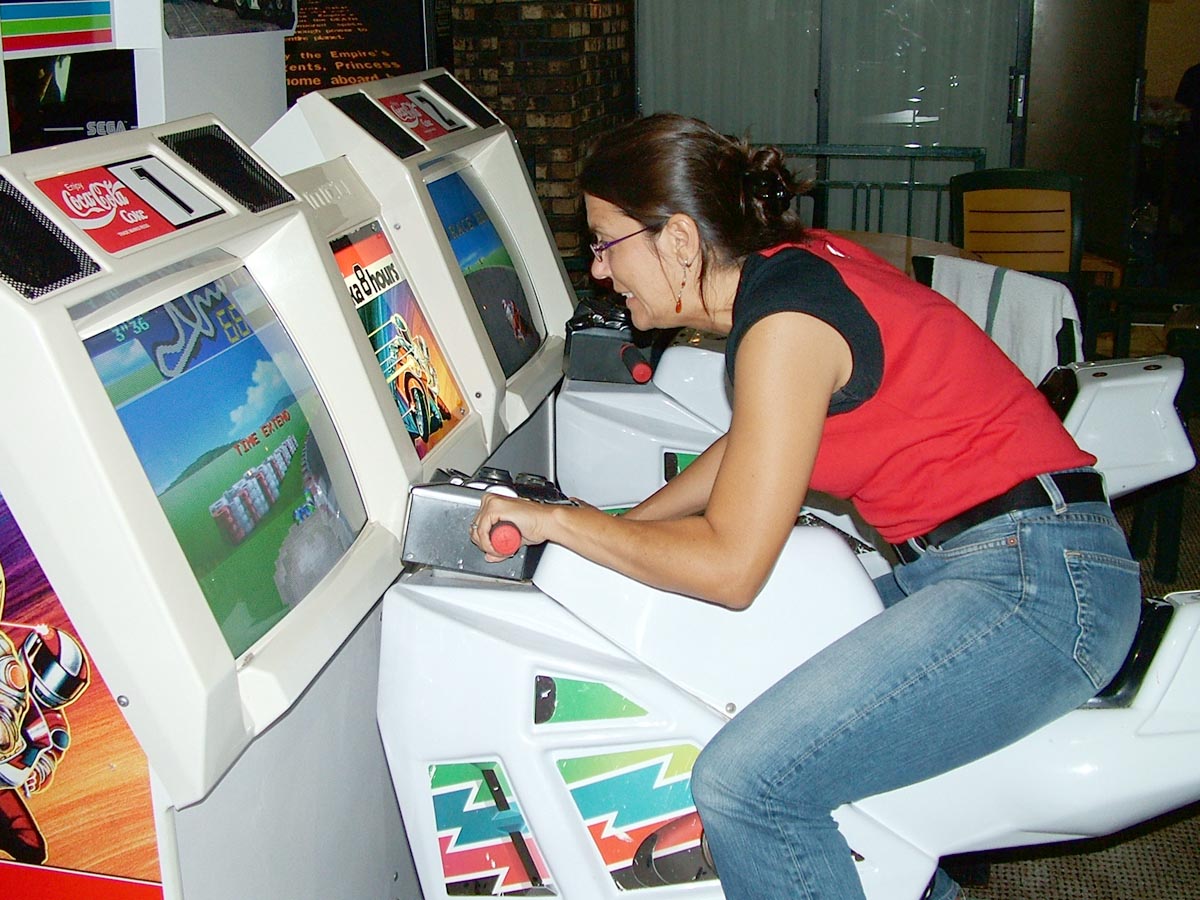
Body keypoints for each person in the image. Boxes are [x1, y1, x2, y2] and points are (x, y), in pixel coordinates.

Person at [469, 113, 1142, 900]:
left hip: (1040, 584)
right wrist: (622, 526)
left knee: (748, 788)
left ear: (678, 239)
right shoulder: (790, 276)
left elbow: (730, 569)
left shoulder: (784, 323)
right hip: (999, 560)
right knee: (773, 708)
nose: (598, 270)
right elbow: (748, 446)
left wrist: (563, 523)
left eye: (605, 243)